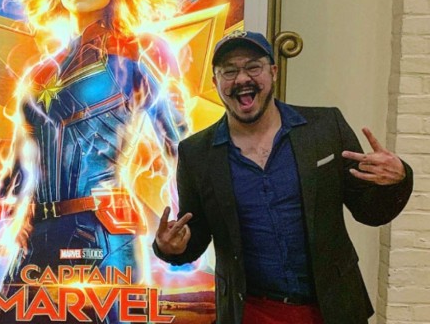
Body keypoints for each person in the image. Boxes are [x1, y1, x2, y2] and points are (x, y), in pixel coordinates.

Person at [0, 0, 187, 321]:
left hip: (104, 236)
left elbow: (180, 145)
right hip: (37, 237)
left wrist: (182, 226)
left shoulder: (136, 56)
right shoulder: (38, 75)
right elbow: (16, 175)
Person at [153, 30, 413, 324]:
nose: (242, 79)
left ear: (273, 72)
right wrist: (170, 248)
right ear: (216, 82)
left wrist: (399, 179)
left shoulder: (325, 128)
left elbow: (370, 211)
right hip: (251, 311)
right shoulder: (196, 153)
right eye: (229, 71)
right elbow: (195, 232)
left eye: (253, 67)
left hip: (333, 308)